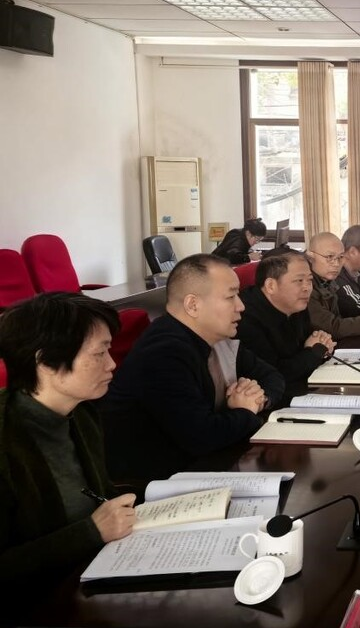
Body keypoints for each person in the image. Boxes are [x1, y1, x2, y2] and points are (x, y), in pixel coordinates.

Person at [0, 293, 137, 606]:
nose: (112, 363)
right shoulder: (6, 440)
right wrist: (90, 532)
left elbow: (99, 495)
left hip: (91, 576)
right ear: (46, 362)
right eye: (99, 352)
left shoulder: (81, 413)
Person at [100, 254, 284, 485]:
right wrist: (245, 412)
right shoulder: (163, 353)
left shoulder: (216, 338)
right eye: (230, 296)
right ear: (193, 305)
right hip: (154, 486)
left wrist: (258, 398)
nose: (241, 306)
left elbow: (273, 377)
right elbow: (202, 437)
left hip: (204, 466)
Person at [236, 251, 335, 398]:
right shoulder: (244, 317)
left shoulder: (296, 305)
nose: (307, 288)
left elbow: (311, 343)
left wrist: (322, 343)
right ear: (270, 285)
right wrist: (314, 352)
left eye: (309, 280)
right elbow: (273, 374)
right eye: (299, 281)